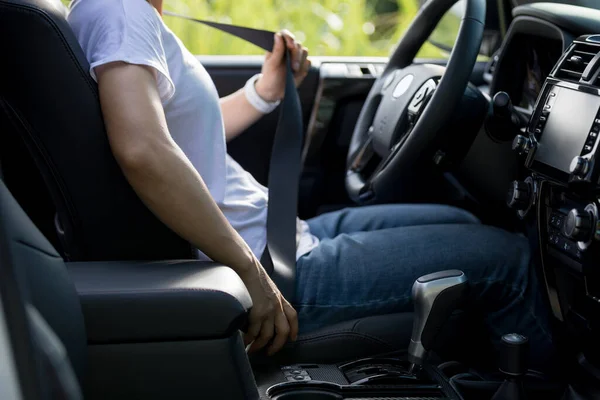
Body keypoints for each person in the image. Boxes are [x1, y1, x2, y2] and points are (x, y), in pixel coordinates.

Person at [67, 0, 553, 368]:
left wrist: (264, 93)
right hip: (266, 262)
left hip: (276, 235)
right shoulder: (120, 11)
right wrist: (249, 273)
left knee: (461, 220)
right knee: (507, 260)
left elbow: (180, 133)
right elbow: (144, 149)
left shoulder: (126, 14)